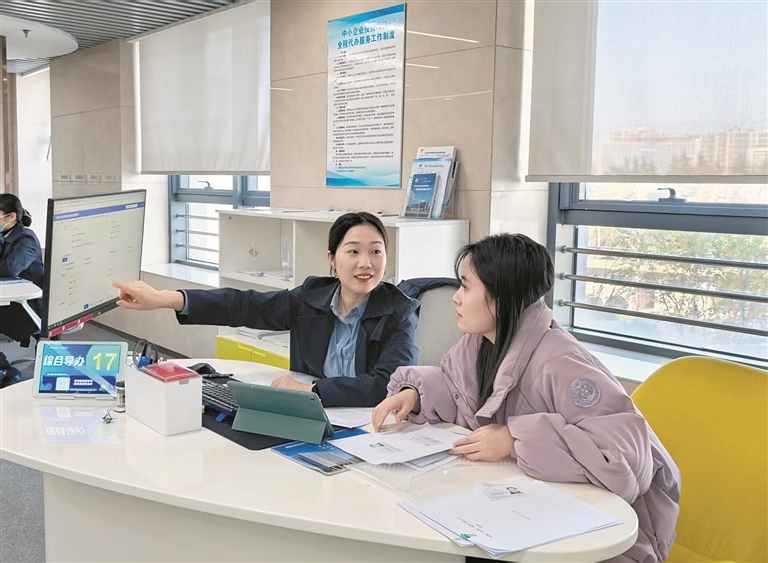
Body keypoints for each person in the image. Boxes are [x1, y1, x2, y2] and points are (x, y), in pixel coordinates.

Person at [372, 233, 680, 563]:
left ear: (502, 297)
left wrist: (514, 439)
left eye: (466, 286)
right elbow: (461, 390)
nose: (456, 298)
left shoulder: (560, 362)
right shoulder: (481, 341)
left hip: (607, 536)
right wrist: (415, 394)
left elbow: (623, 463)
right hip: (531, 512)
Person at [113, 212, 419, 407]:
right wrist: (166, 299)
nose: (366, 263)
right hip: (309, 413)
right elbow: (245, 305)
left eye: (376, 251)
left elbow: (385, 383)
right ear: (332, 259)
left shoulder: (400, 311)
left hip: (370, 421)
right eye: (353, 251)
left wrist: (312, 389)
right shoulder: (312, 296)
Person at [0, 194, 44, 388]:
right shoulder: (5, 236)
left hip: (27, 308)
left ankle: (6, 372)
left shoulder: (26, 239)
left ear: (11, 217)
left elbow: (10, 270)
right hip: (10, 300)